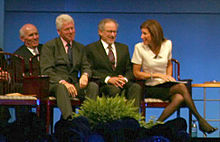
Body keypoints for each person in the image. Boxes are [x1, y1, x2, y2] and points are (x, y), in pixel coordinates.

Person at [131, 19, 217, 135]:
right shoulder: (139, 48)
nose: (142, 36)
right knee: (181, 89)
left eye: (145, 34)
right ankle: (200, 120)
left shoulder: (167, 44)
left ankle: (154, 126)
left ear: (154, 34)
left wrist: (169, 76)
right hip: (150, 87)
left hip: (165, 84)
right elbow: (136, 73)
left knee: (180, 97)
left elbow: (169, 63)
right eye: (142, 33)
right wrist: (156, 75)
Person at [40, 14, 98, 120]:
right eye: (67, 29)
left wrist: (85, 75)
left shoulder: (80, 47)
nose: (71, 32)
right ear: (59, 31)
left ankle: (87, 119)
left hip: (74, 85)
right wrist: (63, 82)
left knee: (93, 86)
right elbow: (47, 70)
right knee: (61, 88)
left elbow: (86, 66)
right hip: (56, 85)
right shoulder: (50, 46)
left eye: (72, 28)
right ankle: (69, 120)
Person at [85, 18, 142, 108]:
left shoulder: (123, 48)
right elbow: (90, 70)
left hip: (122, 84)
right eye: (109, 32)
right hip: (103, 84)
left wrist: (125, 79)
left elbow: (129, 69)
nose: (113, 35)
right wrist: (108, 79)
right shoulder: (91, 49)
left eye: (115, 32)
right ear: (100, 32)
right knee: (113, 90)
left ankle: (132, 119)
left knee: (136, 88)